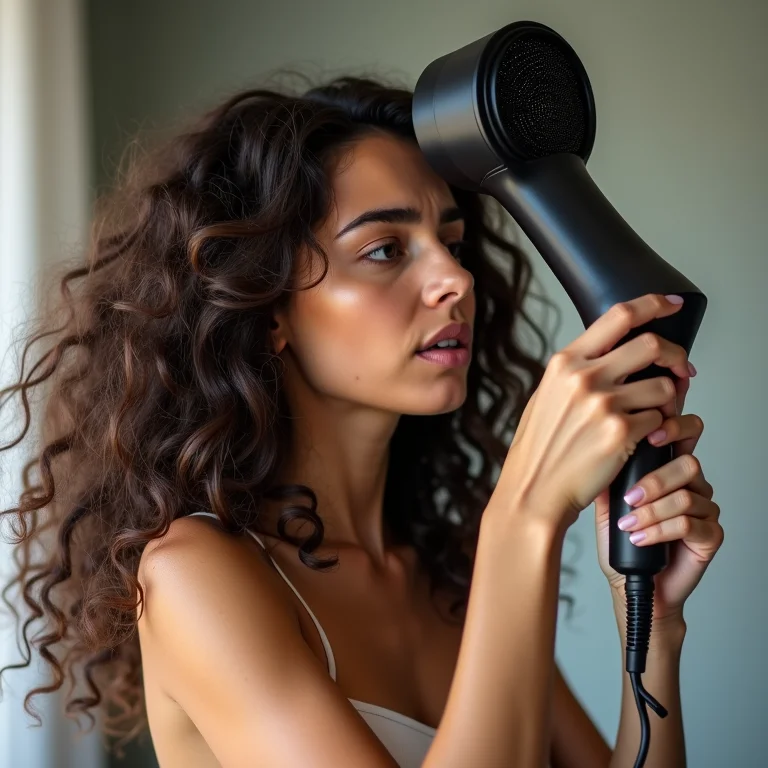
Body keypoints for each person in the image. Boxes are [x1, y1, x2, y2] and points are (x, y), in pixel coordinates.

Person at [0, 74, 722, 768]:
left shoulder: (443, 581)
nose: (456, 279)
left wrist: (654, 626)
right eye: (385, 250)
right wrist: (524, 516)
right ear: (270, 308)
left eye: (453, 241)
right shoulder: (193, 576)